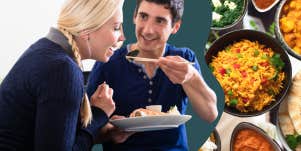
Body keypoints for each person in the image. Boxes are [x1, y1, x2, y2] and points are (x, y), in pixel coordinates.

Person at [86, 0, 218, 150]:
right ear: (134, 17)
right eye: (143, 16)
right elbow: (85, 129)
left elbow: (210, 115)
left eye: (160, 21)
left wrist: (192, 77)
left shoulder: (185, 59)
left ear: (175, 26)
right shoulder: (108, 62)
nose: (148, 30)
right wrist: (109, 132)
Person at [0, 0, 125, 150]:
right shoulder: (63, 70)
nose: (122, 37)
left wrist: (101, 132)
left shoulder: (45, 49)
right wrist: (99, 114)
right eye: (116, 27)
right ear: (87, 29)